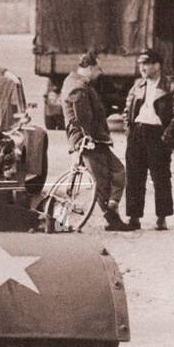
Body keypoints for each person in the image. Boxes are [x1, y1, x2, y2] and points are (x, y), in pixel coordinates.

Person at [61, 52, 128, 231]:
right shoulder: (78, 86)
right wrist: (86, 138)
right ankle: (112, 218)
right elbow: (83, 117)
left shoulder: (77, 83)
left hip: (95, 139)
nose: (99, 72)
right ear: (89, 68)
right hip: (89, 140)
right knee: (103, 179)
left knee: (117, 172)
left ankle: (112, 212)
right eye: (98, 68)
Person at [123, 48, 174, 231]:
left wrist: (166, 135)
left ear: (157, 65)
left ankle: (162, 217)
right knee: (134, 176)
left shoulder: (172, 86)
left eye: (147, 63)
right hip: (137, 133)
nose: (142, 67)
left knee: (161, 177)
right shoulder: (138, 85)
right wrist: (129, 129)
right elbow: (127, 109)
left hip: (158, 134)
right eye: (141, 64)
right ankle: (134, 217)